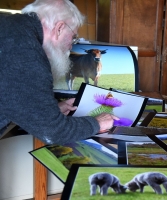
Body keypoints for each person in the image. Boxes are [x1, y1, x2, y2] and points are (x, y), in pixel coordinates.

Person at [0, 0, 119, 144]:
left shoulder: (10, 27)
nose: (70, 45)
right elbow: (53, 132)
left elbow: (11, 97)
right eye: (73, 37)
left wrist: (44, 110)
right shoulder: (26, 54)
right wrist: (97, 123)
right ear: (59, 28)